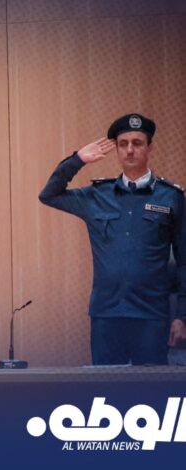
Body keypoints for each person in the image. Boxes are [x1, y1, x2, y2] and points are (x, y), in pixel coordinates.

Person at [39, 113, 186, 365]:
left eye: (137, 143)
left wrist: (181, 316)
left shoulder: (170, 197)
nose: (130, 150)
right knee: (105, 385)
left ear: (149, 147)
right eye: (123, 144)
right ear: (117, 149)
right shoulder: (97, 195)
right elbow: (49, 195)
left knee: (151, 387)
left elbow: (184, 261)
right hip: (106, 314)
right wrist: (77, 160)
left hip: (151, 315)